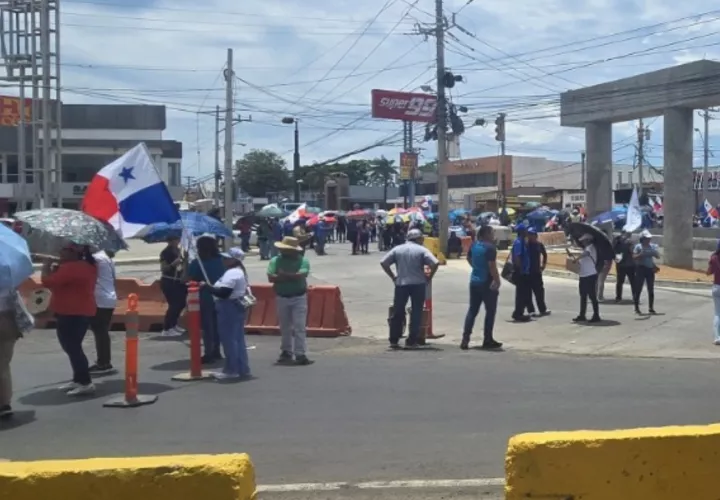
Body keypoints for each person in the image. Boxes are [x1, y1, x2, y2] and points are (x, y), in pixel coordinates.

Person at [41, 244, 98, 396]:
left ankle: (85, 382)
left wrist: (46, 266)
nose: (61, 252)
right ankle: (78, 379)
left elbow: (48, 282)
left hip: (71, 312)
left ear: (74, 253)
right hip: (80, 310)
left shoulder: (71, 268)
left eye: (64, 250)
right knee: (73, 346)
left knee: (72, 347)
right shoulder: (87, 266)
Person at [381, 228, 439, 349]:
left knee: (398, 311)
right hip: (418, 283)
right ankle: (411, 341)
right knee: (416, 312)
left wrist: (393, 277)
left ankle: (394, 340)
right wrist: (429, 277)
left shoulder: (398, 249)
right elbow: (435, 263)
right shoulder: (422, 250)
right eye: (421, 238)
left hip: (401, 284)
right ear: (418, 239)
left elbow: (384, 262)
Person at [204, 247, 252, 380]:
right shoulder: (238, 271)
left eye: (226, 258)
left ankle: (232, 370)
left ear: (234, 260)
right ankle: (241, 368)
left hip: (228, 306)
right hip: (234, 306)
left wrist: (207, 287)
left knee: (229, 339)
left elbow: (224, 293)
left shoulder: (232, 273)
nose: (223, 260)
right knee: (237, 339)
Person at [267, 236, 313, 366]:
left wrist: (283, 275)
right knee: (285, 327)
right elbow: (271, 277)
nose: (283, 251)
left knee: (299, 326)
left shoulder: (303, 260)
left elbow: (301, 275)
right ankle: (286, 351)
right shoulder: (275, 260)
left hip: (299, 296)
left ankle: (300, 353)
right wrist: (291, 276)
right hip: (282, 296)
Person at [461, 225, 502, 350]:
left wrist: (476, 267)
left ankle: (465, 338)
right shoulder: (490, 248)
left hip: (474, 281)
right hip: (487, 282)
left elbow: (469, 258)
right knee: (490, 311)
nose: (493, 235)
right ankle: (487, 339)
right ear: (486, 234)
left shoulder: (474, 245)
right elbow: (492, 266)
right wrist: (497, 280)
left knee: (472, 310)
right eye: (492, 233)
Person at [188, 235, 225, 364]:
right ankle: (217, 350)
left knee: (207, 326)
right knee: (217, 325)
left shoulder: (198, 262)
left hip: (205, 296)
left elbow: (187, 278)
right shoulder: (222, 260)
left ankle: (209, 352)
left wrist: (186, 263)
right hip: (221, 294)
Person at [0, 284, 34, 418]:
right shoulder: (8, 284)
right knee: (4, 365)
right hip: (7, 323)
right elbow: (18, 305)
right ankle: (5, 403)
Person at [89, 249, 117, 374]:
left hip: (100, 298)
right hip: (109, 297)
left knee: (100, 331)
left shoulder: (95, 258)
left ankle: (103, 362)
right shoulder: (107, 258)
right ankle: (104, 360)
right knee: (102, 330)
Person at [159, 236, 187, 338]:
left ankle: (174, 324)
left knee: (181, 303)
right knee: (174, 305)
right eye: (175, 239)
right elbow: (164, 268)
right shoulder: (165, 253)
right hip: (169, 281)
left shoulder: (179, 251)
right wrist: (173, 264)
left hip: (178, 281)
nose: (177, 241)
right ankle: (167, 328)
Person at [571, 233, 601, 323]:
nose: (582, 242)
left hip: (590, 275)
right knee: (583, 295)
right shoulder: (586, 248)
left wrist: (576, 259)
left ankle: (596, 315)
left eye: (584, 241)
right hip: (583, 275)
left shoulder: (591, 248)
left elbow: (586, 254)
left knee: (592, 296)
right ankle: (582, 315)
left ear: (588, 240)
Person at [633, 229, 659, 315]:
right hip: (641, 268)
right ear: (642, 239)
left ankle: (651, 307)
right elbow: (634, 257)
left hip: (649, 269)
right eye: (646, 238)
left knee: (650, 289)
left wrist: (654, 254)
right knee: (638, 288)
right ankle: (636, 307)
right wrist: (640, 254)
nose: (648, 240)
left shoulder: (652, 246)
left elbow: (657, 256)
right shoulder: (638, 247)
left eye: (649, 238)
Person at [511, 224, 532, 322]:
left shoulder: (523, 241)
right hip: (521, 272)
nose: (527, 232)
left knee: (524, 293)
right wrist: (519, 270)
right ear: (522, 232)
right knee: (521, 294)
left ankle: (520, 312)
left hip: (525, 271)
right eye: (525, 230)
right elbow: (517, 257)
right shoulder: (519, 242)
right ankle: (518, 313)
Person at [526, 228, 549, 316]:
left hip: (536, 272)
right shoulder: (526, 245)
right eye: (529, 234)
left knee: (539, 292)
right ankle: (531, 310)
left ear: (536, 236)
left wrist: (543, 265)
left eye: (531, 234)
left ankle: (542, 309)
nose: (530, 236)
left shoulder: (539, 245)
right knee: (528, 293)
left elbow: (544, 254)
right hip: (527, 272)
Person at [613, 230, 636, 302]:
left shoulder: (618, 241)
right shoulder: (625, 242)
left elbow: (613, 250)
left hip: (623, 264)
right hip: (627, 264)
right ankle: (633, 297)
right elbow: (632, 251)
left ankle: (619, 297)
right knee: (631, 282)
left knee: (621, 281)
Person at [707, 241, 720, 345]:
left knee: (717, 313)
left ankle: (717, 337)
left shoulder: (714, 257)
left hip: (716, 287)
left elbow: (709, 272)